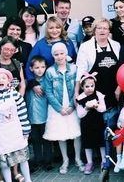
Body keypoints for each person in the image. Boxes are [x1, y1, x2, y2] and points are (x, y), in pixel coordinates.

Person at [75, 16, 121, 172]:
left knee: (111, 126)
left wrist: (120, 87)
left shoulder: (116, 45)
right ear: (94, 30)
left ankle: (110, 156)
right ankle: (96, 160)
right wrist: (77, 93)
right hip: (94, 95)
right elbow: (80, 72)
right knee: (95, 128)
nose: (102, 31)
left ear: (109, 31)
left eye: (105, 28)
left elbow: (121, 69)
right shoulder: (86, 47)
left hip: (113, 93)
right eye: (99, 28)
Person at [0, 68, 32, 182]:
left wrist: (26, 130)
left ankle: (28, 180)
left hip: (15, 131)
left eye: (3, 78)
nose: (1, 80)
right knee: (4, 161)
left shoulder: (15, 95)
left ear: (8, 81)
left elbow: (23, 113)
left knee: (23, 158)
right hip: (0, 134)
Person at [42, 42, 83, 174]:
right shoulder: (50, 71)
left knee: (76, 133)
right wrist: (59, 108)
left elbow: (77, 88)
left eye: (61, 53)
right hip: (57, 107)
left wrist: (72, 105)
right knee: (61, 134)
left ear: (66, 54)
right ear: (53, 56)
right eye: (56, 54)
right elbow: (48, 92)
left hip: (72, 105)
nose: (59, 56)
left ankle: (78, 158)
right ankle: (65, 160)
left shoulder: (74, 68)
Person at [25, 15, 77, 83]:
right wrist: (33, 82)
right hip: (47, 82)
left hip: (68, 81)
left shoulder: (68, 42)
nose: (54, 31)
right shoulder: (40, 44)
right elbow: (29, 63)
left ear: (61, 28)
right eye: (51, 28)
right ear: (47, 29)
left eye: (57, 27)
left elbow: (75, 59)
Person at [25, 56, 53, 173]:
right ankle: (37, 160)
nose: (40, 70)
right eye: (37, 67)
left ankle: (48, 161)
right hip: (31, 117)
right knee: (35, 139)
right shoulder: (28, 83)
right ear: (31, 69)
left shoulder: (47, 82)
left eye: (42, 67)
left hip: (44, 116)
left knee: (46, 139)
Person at [75, 73, 106, 175]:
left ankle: (104, 161)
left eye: (92, 86)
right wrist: (86, 108)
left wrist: (97, 106)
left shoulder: (98, 95)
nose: (90, 89)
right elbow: (80, 114)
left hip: (98, 122)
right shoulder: (80, 98)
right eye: (87, 86)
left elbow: (103, 109)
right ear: (82, 87)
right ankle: (89, 162)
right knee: (88, 143)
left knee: (101, 142)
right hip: (86, 124)